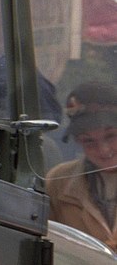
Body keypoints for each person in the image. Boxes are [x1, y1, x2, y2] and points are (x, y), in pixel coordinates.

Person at [46, 81, 117, 251]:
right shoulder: (58, 181)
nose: (103, 150)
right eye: (88, 141)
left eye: (111, 136)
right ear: (78, 141)